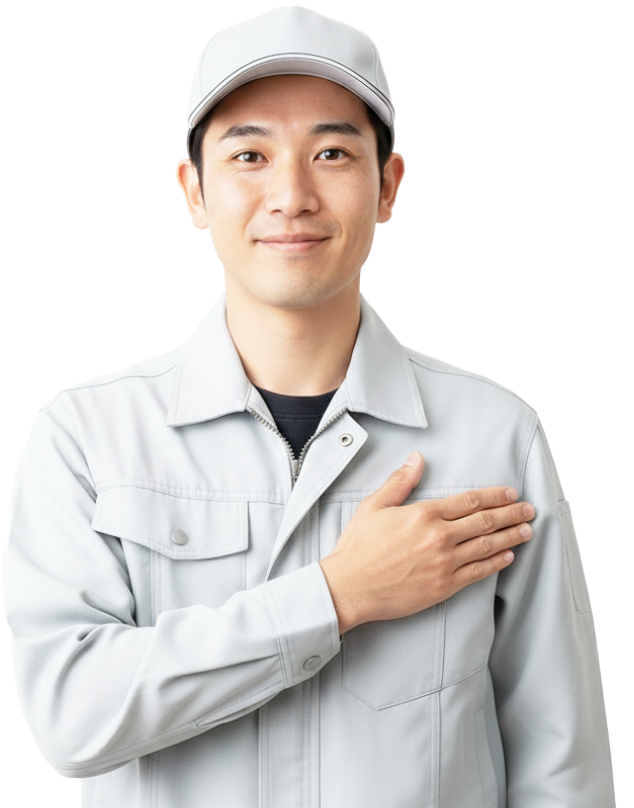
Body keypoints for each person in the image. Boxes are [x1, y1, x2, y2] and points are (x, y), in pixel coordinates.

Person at [3, 6, 614, 807]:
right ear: (193, 192)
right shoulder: (86, 436)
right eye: (249, 155)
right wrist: (337, 595)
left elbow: (561, 765)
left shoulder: (496, 437)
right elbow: (71, 719)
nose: (290, 196)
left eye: (331, 153)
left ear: (388, 184)